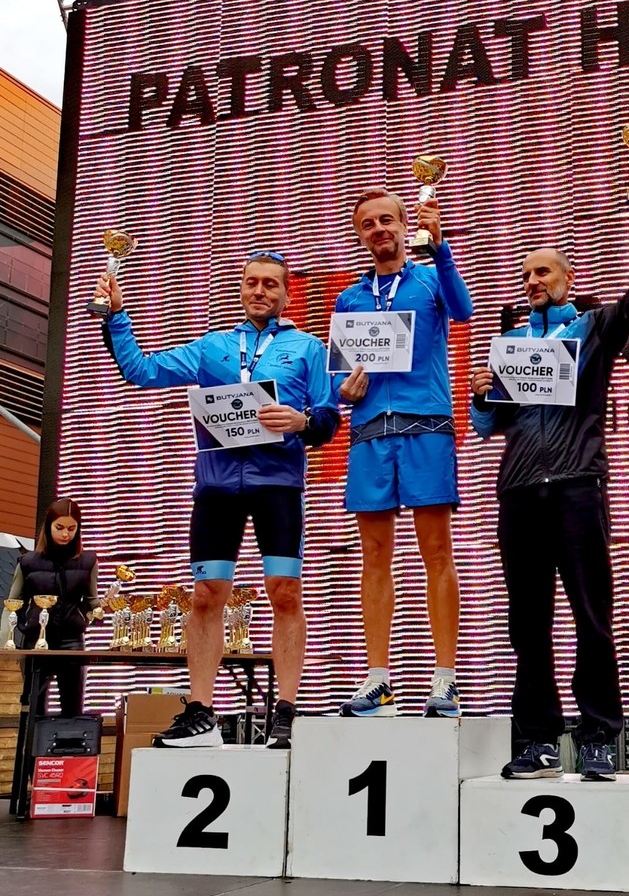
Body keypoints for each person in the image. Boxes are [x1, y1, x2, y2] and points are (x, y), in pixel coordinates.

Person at [94, 250, 339, 747]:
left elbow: (328, 416)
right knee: (206, 595)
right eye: (252, 282)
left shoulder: (308, 349)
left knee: (284, 592)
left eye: (271, 284)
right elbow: (141, 370)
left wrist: (302, 421)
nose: (260, 291)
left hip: (278, 485)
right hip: (216, 487)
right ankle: (201, 712)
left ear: (287, 294)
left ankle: (286, 712)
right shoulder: (213, 347)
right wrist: (117, 315)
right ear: (241, 288)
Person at [469, 169, 629, 781]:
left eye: (544, 273)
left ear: (568, 280)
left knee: (591, 617)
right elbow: (488, 426)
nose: (533, 282)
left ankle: (599, 737)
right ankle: (536, 742)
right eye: (527, 275)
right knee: (527, 626)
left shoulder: (594, 327)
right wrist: (481, 393)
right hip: (519, 493)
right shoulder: (509, 338)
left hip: (578, 487)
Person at [334, 186, 473, 718]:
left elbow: (463, 311)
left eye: (387, 220)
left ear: (402, 224)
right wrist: (344, 393)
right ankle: (378, 679)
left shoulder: (431, 278)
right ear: (359, 234)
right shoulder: (350, 299)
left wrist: (440, 247)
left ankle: (446, 679)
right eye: (368, 224)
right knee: (374, 556)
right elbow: (343, 374)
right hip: (370, 432)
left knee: (437, 551)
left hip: (426, 427)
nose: (379, 230)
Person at [7, 498, 100, 717]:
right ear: (48, 526)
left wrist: (94, 613)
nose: (66, 534)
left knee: (73, 706)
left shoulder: (88, 562)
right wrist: (21, 628)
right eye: (59, 527)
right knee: (33, 706)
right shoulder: (27, 562)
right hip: (35, 642)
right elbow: (13, 602)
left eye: (71, 528)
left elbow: (92, 600)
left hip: (72, 641)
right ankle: (30, 740)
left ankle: (71, 740)